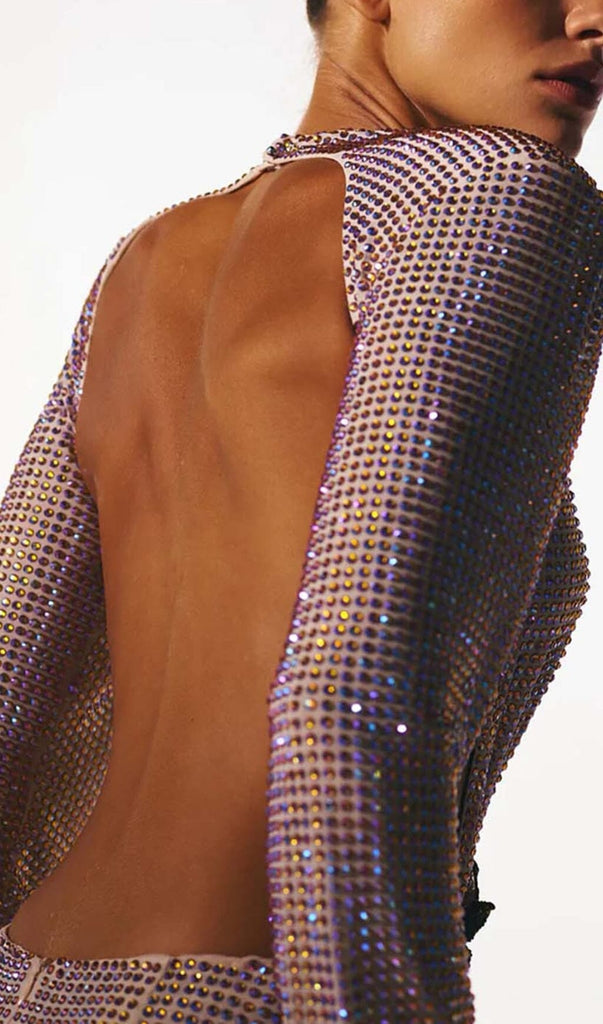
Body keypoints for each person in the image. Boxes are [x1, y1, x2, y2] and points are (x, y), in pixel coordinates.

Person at [1, 0, 602, 1021]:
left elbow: (14, 672)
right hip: (269, 983)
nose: (592, 16)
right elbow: (350, 692)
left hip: (28, 972)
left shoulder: (144, 259)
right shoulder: (493, 190)